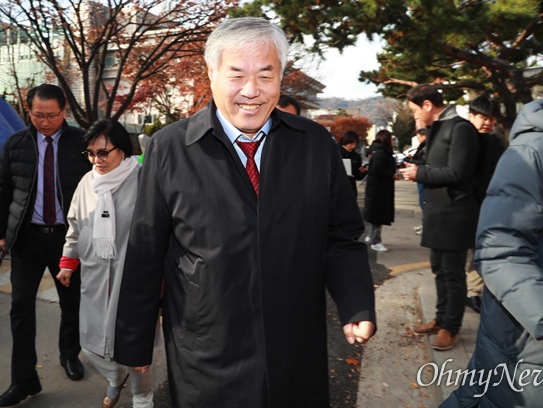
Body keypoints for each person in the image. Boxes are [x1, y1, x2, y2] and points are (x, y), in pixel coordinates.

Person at [113, 17, 376, 407]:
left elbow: (341, 236)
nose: (251, 91)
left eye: (266, 76)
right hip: (207, 352)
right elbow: (146, 249)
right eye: (236, 75)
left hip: (296, 345)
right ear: (212, 72)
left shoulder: (315, 145)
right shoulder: (171, 148)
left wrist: (355, 303)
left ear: (281, 77)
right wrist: (134, 342)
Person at [441, 44, 543, 407]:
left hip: (477, 218)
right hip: (535, 346)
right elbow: (499, 246)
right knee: (448, 273)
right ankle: (446, 324)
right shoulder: (538, 146)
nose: (487, 122)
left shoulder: (492, 140)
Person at [0, 84, 91, 407]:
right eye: (37, 115)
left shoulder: (81, 143)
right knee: (20, 309)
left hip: (67, 239)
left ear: (64, 111)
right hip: (27, 239)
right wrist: (0, 235)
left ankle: (69, 354)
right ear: (27, 111)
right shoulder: (15, 144)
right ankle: (23, 380)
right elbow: (3, 190)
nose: (45, 122)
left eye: (51, 115)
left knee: (71, 302)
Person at [56, 119, 153, 408]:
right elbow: (76, 224)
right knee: (92, 338)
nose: (96, 160)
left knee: (132, 345)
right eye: (90, 153)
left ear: (122, 150)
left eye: (103, 152)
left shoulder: (142, 179)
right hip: (96, 274)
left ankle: (142, 397)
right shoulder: (88, 182)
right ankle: (114, 376)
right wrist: (67, 261)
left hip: (131, 278)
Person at [400, 84, 479, 351]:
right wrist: (419, 168)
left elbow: (458, 172)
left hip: (455, 215)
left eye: (414, 110)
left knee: (453, 274)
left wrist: (419, 174)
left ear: (427, 105)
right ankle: (441, 318)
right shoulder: (437, 129)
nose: (415, 116)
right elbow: (438, 167)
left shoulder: (460, 128)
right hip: (438, 213)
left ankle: (451, 328)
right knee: (439, 270)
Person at [464, 95, 507, 314]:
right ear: (471, 115)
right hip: (463, 206)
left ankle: (473, 292)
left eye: (491, 118)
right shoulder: (463, 138)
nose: (488, 122)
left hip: (486, 204)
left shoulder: (496, 142)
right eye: (483, 116)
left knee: (477, 250)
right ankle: (469, 292)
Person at [363, 129, 395, 252]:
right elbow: (378, 170)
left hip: (377, 189)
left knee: (374, 215)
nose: (392, 141)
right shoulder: (382, 153)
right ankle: (375, 241)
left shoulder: (378, 151)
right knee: (377, 216)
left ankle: (371, 236)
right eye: (391, 138)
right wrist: (391, 175)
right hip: (379, 189)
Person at [405, 127, 428, 235]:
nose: (418, 139)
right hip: (421, 175)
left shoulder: (426, 147)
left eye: (419, 137)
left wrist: (412, 161)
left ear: (424, 136)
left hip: (422, 175)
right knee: (422, 201)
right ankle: (424, 224)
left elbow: (423, 161)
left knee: (424, 202)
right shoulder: (423, 146)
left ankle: (425, 225)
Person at [339, 130, 367, 198]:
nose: (353, 146)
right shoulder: (335, 153)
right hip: (337, 188)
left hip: (350, 188)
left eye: (355, 144)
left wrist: (362, 172)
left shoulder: (356, 157)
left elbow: (357, 176)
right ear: (345, 141)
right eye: (351, 144)